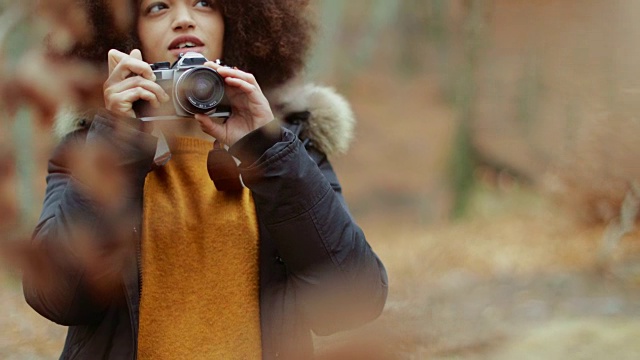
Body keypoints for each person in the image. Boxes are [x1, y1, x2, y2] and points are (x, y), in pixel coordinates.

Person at [23, 0, 388, 359]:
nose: (183, 19)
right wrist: (118, 142)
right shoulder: (91, 148)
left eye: (204, 3)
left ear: (237, 20)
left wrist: (266, 148)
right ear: (125, 34)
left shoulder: (289, 148)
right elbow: (58, 298)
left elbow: (357, 298)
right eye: (157, 7)